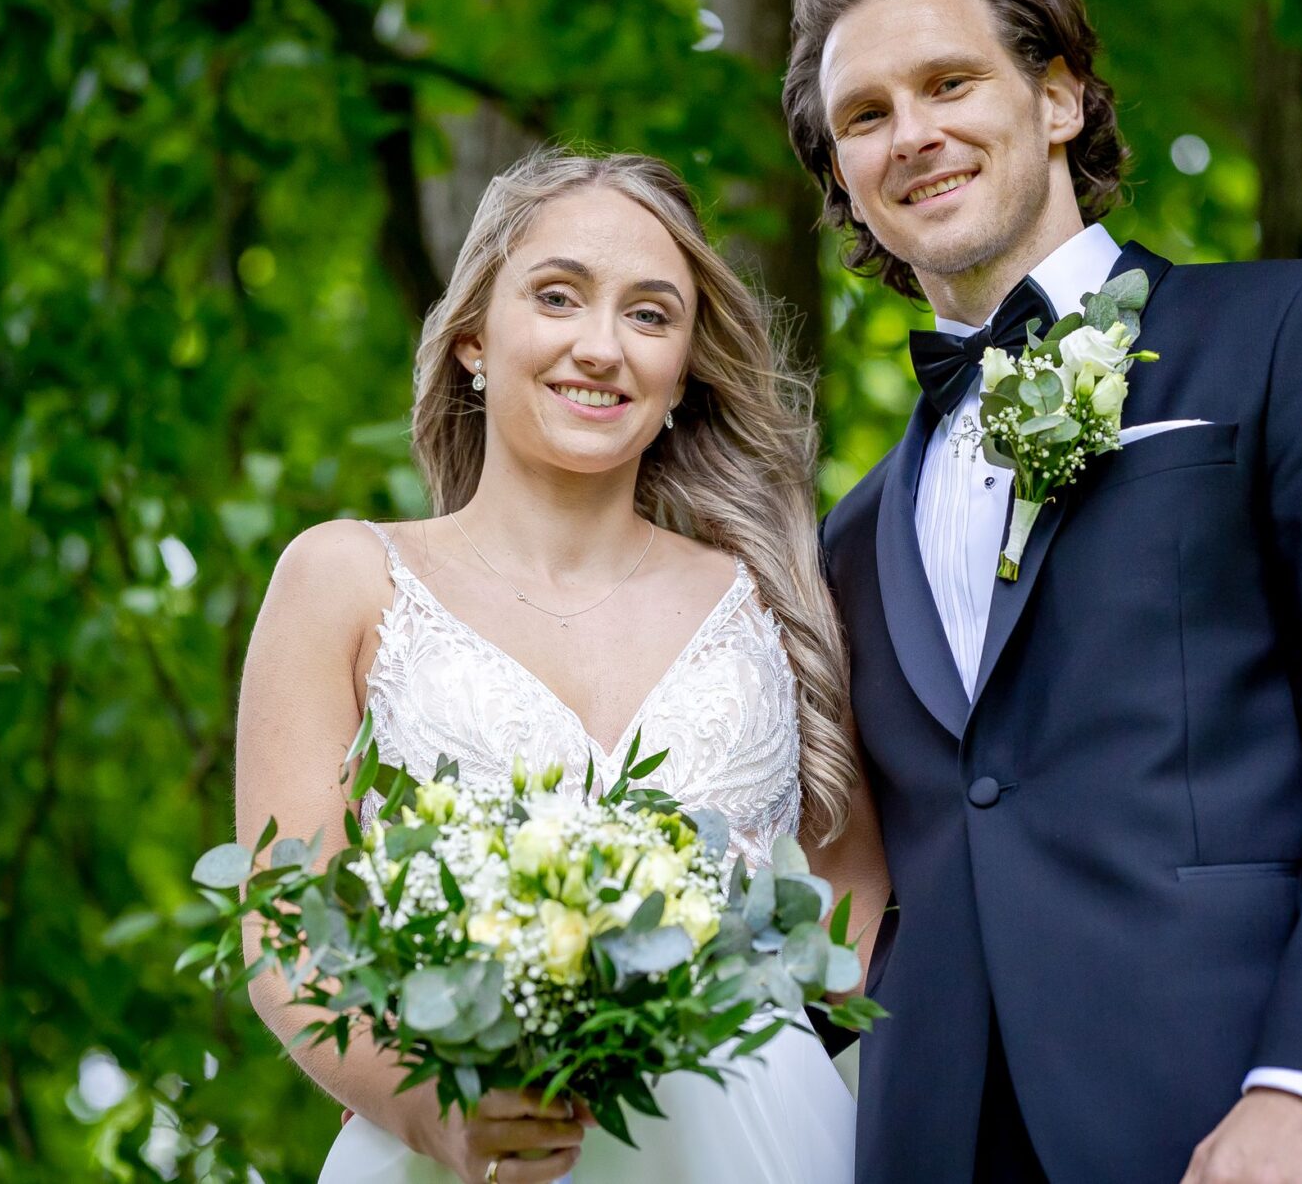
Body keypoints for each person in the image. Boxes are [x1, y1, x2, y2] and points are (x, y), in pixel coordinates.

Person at [787, 0, 1302, 1183]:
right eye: (864, 115)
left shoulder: (1289, 334)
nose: (909, 133)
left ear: (1060, 97)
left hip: (1266, 1112)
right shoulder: (847, 538)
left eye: (948, 84)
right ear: (844, 181)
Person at [232, 148, 886, 1184]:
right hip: (463, 1144)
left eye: (649, 314)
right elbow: (283, 929)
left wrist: (747, 1057)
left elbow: (849, 881)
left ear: (683, 371)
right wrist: (431, 1109)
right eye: (556, 295)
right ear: (470, 344)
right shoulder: (343, 581)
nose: (601, 347)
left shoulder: (774, 594)